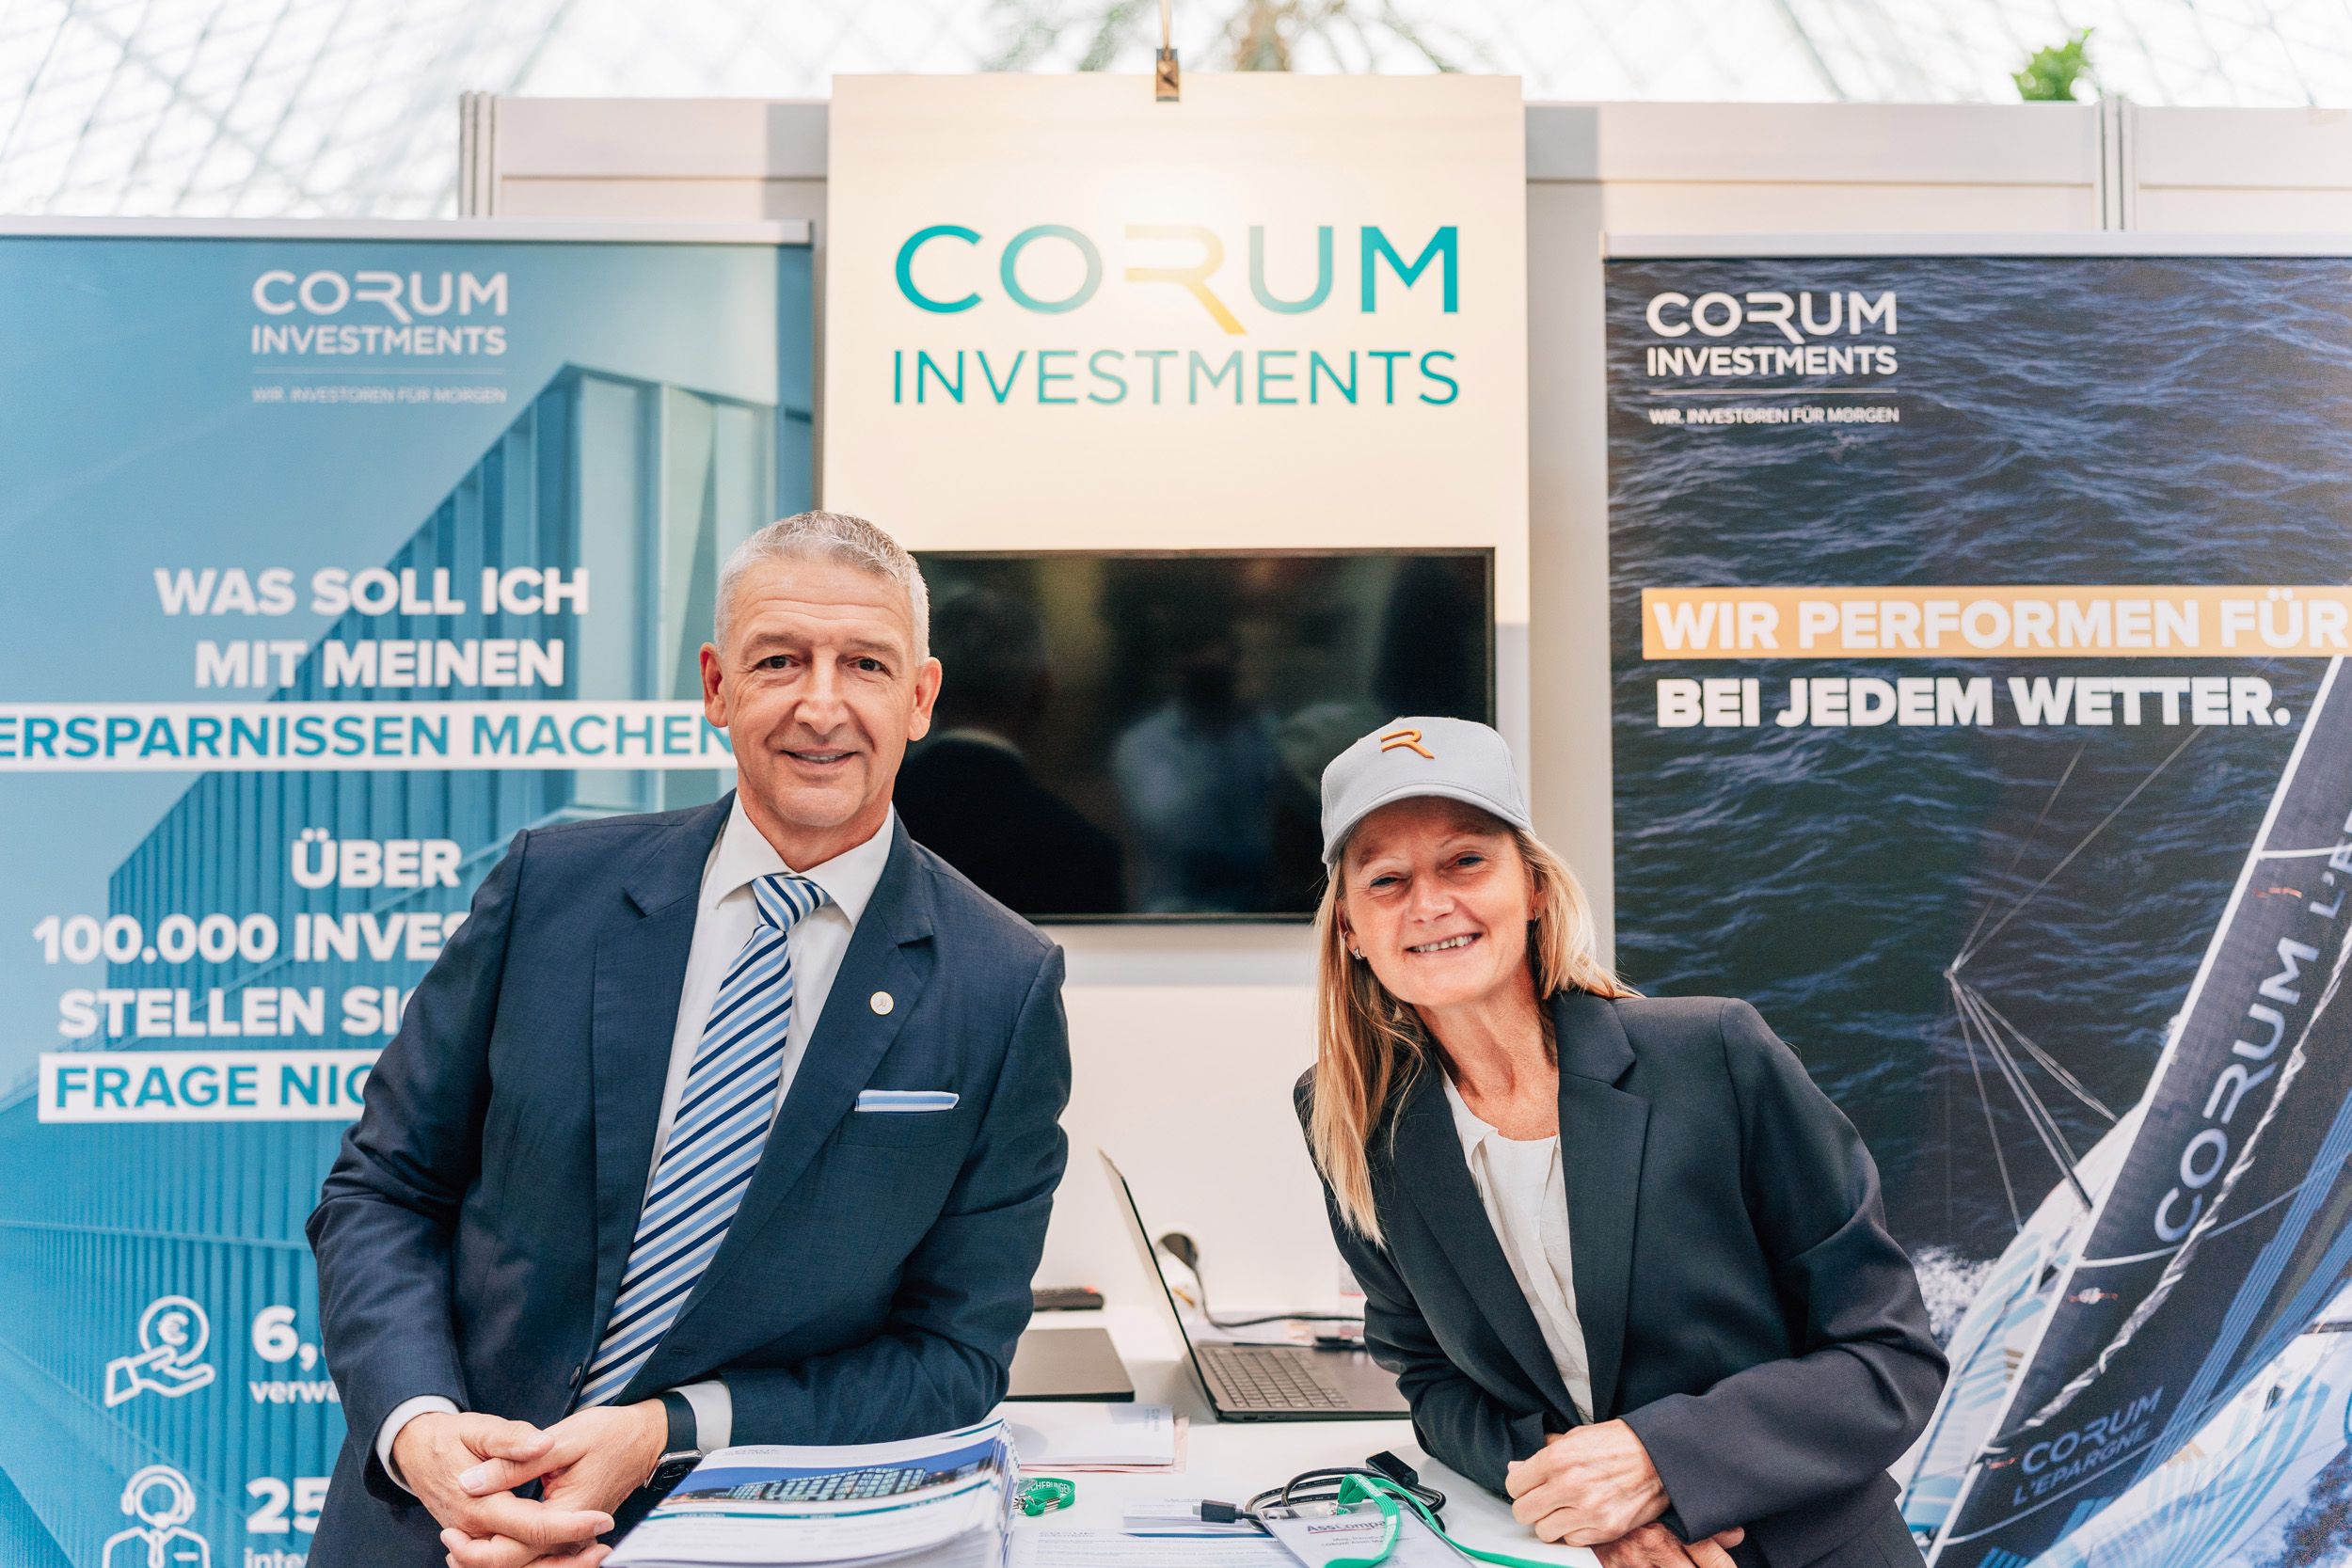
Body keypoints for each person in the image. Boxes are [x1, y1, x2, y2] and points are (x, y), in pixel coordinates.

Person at [307, 511, 1073, 1568]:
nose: (820, 704)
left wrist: (668, 1426)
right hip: (439, 1523)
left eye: (864, 663)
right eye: (778, 660)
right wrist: (422, 1431)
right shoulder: (547, 890)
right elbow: (384, 1190)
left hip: (738, 1542)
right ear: (716, 685)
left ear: (920, 696)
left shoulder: (1002, 984)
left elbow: (952, 1358)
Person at [1295, 717, 1945, 1568]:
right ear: (1350, 926)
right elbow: (1429, 1376)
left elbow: (1888, 1356)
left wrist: (1658, 1462)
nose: (1429, 904)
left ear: (1532, 886)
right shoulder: (1352, 1118)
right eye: (1386, 879)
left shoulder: (1716, 1052)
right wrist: (1582, 1495)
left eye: (1465, 861)